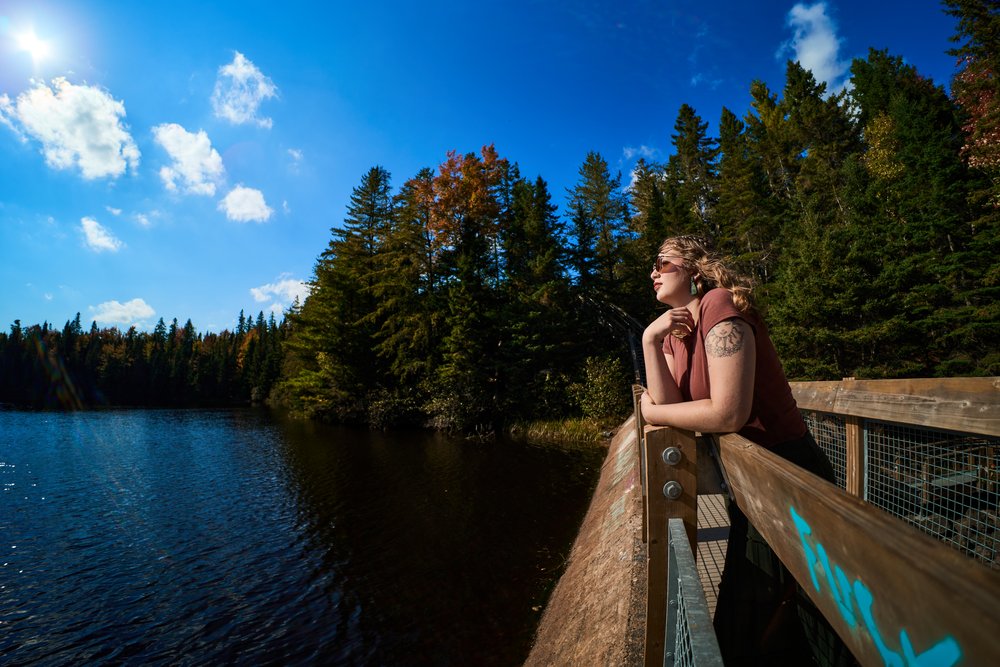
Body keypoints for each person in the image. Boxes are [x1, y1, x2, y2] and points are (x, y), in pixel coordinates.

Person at [639, 235, 854, 666]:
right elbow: (669, 407)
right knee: (756, 623)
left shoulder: (720, 304)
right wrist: (650, 340)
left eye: (663, 262)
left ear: (693, 269)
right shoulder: (673, 334)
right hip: (748, 489)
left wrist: (655, 416)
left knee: (806, 622)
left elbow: (726, 413)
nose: (653, 272)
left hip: (788, 477)